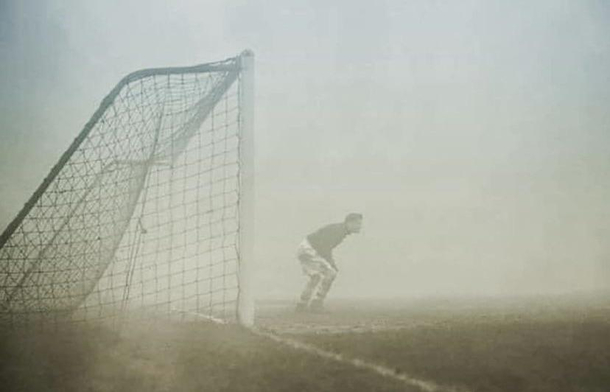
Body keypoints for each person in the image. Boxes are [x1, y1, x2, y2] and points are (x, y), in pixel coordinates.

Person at [295, 213, 363, 313]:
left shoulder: (340, 230)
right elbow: (324, 247)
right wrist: (332, 264)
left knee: (316, 276)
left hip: (305, 248)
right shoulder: (339, 231)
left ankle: (302, 304)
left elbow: (324, 247)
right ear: (349, 222)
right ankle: (316, 303)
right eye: (357, 223)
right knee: (331, 273)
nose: (360, 226)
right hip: (309, 249)